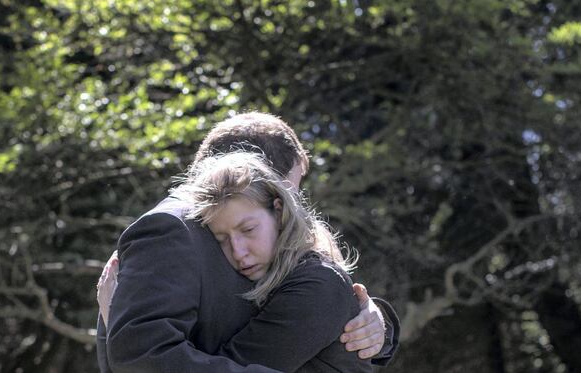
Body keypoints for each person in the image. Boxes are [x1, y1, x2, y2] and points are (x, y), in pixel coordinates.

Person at [96, 112, 398, 372]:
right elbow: (142, 355)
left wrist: (377, 322)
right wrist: (125, 341)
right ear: (249, 177)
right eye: (291, 190)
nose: (296, 209)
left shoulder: (306, 272)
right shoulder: (172, 229)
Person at [182, 151, 373, 372]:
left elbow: (236, 366)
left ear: (278, 210)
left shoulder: (317, 286)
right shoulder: (273, 276)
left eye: (248, 230)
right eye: (222, 239)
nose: (238, 251)